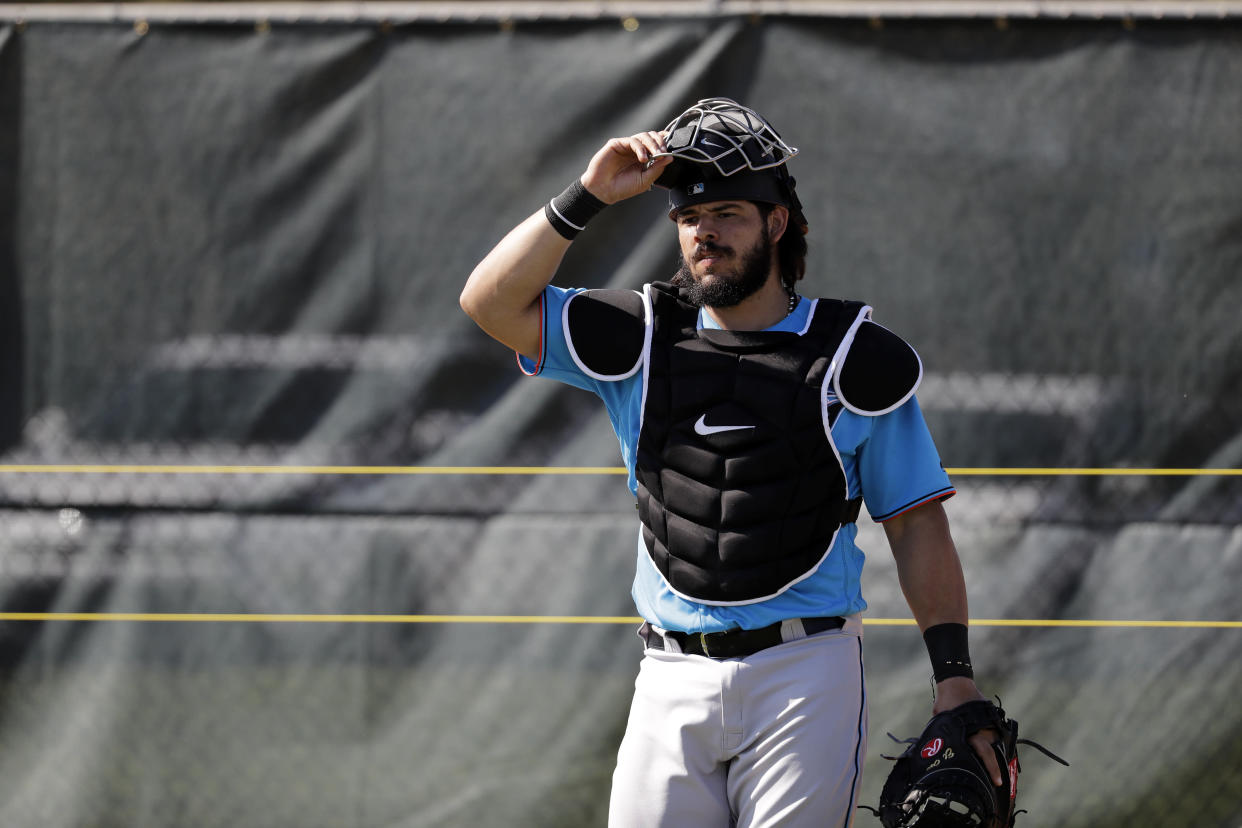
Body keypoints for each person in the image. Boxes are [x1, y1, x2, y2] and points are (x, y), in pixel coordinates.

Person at [460, 98, 999, 828]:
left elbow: (915, 526)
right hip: (668, 674)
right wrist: (586, 198)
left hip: (804, 677)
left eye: (727, 214)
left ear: (777, 223)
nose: (704, 232)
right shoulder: (640, 337)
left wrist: (954, 681)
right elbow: (488, 302)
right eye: (688, 218)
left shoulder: (852, 358)